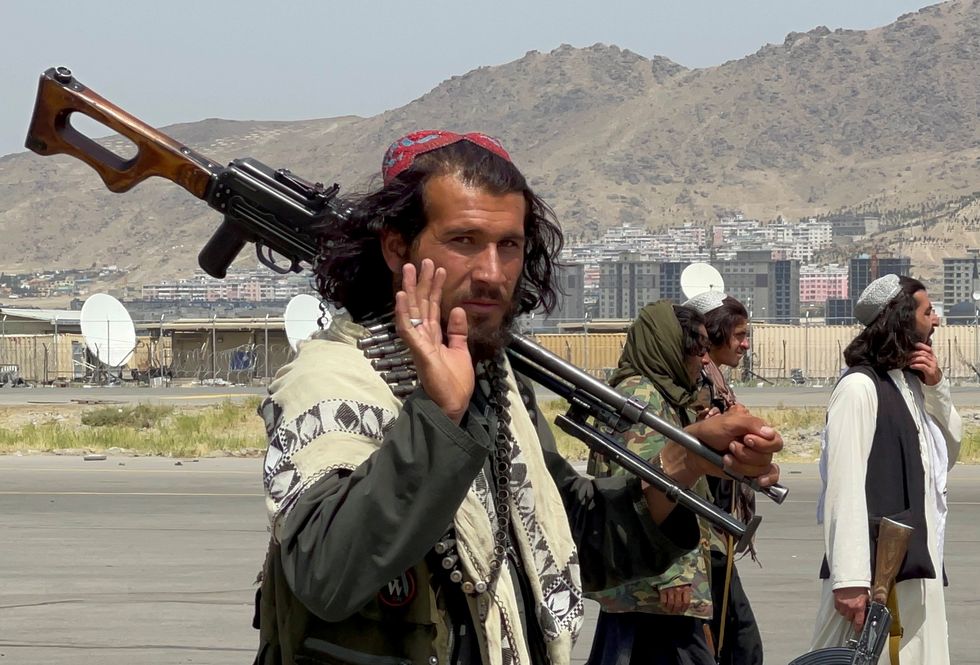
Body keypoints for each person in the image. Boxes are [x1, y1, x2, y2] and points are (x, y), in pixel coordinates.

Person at [251, 129, 782, 665]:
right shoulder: (332, 379)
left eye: (508, 245)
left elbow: (570, 536)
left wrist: (684, 461)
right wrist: (439, 414)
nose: (492, 272)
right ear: (396, 248)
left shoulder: (496, 380)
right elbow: (328, 573)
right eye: (464, 240)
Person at [811, 274, 961, 664]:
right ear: (902, 319)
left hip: (914, 570)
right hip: (869, 582)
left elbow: (946, 455)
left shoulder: (911, 385)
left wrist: (936, 387)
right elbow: (843, 486)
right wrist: (850, 580)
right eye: (928, 312)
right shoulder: (859, 388)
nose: (936, 320)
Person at [585, 301, 719, 665]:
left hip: (647, 591)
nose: (705, 360)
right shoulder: (641, 398)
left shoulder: (661, 395)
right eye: (698, 350)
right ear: (669, 347)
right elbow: (640, 488)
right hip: (654, 591)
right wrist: (673, 574)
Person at [686, 290, 764, 665]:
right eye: (739, 335)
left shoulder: (717, 384)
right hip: (704, 534)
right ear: (715, 334)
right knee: (739, 644)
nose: (745, 345)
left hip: (718, 532)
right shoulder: (701, 385)